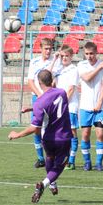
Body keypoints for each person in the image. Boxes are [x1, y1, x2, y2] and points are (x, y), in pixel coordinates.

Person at [8, 69, 74, 203]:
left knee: (50, 157)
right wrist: (31, 109)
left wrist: (17, 134)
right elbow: (53, 104)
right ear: (53, 80)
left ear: (39, 83)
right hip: (63, 138)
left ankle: (52, 183)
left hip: (48, 139)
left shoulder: (39, 102)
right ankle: (43, 184)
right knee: (60, 165)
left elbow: (35, 127)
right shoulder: (62, 93)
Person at [26, 37, 62, 168]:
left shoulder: (56, 61)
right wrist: (40, 94)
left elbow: (53, 80)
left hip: (50, 99)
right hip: (37, 98)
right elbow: (30, 81)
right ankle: (41, 158)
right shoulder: (34, 62)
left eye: (50, 49)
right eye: (46, 49)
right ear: (40, 49)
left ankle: (52, 156)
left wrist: (46, 95)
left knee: (51, 128)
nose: (48, 51)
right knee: (36, 128)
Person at [77, 41, 103, 171]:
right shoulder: (81, 65)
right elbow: (87, 78)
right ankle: (87, 162)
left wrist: (99, 103)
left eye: (91, 53)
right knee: (85, 134)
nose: (89, 56)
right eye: (86, 54)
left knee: (100, 134)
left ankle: (99, 163)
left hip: (101, 107)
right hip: (85, 106)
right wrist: (98, 68)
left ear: (96, 52)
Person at [53, 45, 80, 170]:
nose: (64, 58)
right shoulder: (58, 69)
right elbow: (50, 79)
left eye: (66, 56)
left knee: (72, 132)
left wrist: (63, 104)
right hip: (59, 106)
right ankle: (62, 158)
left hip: (69, 106)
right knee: (60, 134)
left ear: (71, 56)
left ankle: (71, 161)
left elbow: (71, 89)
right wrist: (54, 59)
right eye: (62, 56)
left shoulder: (73, 69)